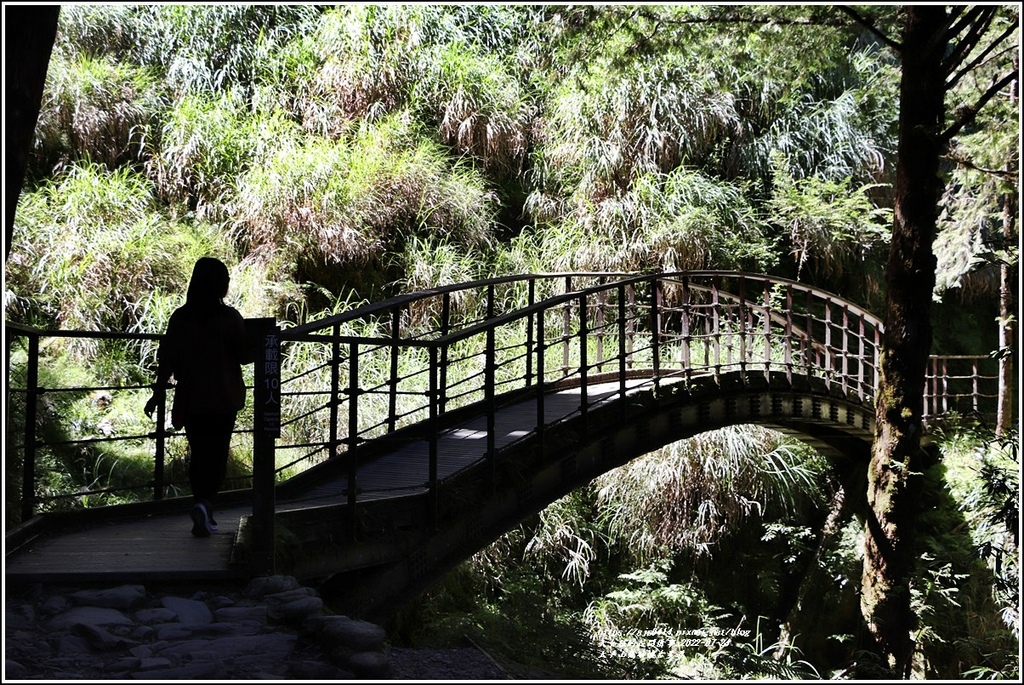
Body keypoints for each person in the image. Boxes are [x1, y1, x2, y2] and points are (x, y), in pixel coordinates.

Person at [145, 257, 253, 537]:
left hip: (192, 398)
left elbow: (167, 360)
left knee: (199, 453)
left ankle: (201, 506)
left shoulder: (181, 318)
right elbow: (244, 355)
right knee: (217, 455)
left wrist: (157, 394)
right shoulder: (229, 318)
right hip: (223, 396)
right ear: (219, 285)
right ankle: (205, 506)